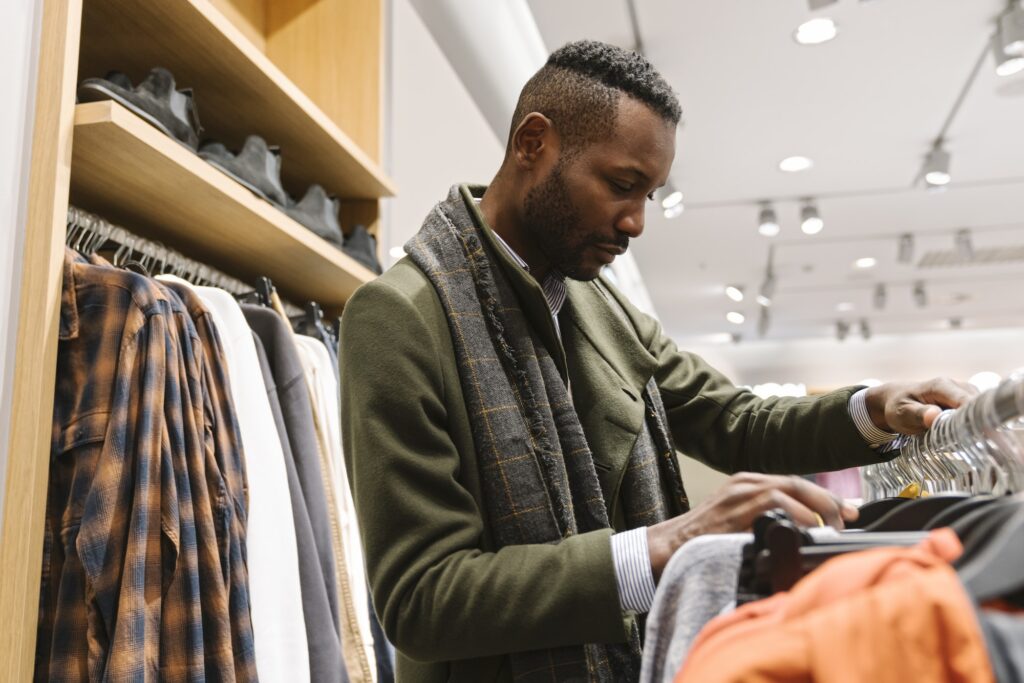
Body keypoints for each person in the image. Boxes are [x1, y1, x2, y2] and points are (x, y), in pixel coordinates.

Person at [339, 40, 976, 683]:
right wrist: (662, 546)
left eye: (650, 193)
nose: (638, 222)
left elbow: (734, 420)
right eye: (622, 186)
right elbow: (420, 598)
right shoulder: (400, 317)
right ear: (533, 143)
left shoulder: (598, 307)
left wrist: (873, 409)